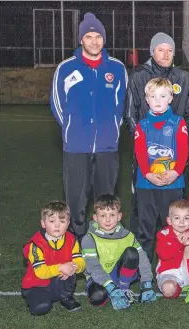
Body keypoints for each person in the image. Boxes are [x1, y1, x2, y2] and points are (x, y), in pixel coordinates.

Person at [50, 12, 126, 239]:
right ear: (81, 39)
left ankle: (104, 245)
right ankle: (76, 246)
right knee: (75, 200)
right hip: (76, 146)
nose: (94, 41)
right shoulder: (66, 68)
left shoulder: (117, 68)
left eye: (98, 37)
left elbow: (122, 104)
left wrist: (112, 129)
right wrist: (72, 129)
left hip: (107, 147)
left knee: (106, 202)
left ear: (104, 39)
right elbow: (56, 103)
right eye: (89, 36)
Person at [124, 32, 189, 245]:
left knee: (175, 210)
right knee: (142, 211)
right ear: (152, 51)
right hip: (147, 155)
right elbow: (130, 112)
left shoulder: (183, 78)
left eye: (170, 50)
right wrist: (143, 139)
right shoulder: (139, 76)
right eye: (160, 49)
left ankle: (174, 257)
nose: (165, 54)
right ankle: (140, 259)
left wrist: (180, 138)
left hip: (176, 158)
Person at [132, 78, 189, 261]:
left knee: (173, 227)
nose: (158, 100)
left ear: (171, 98)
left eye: (163, 96)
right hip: (146, 184)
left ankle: (172, 265)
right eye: (153, 96)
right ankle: (144, 271)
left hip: (172, 183)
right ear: (146, 99)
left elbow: (184, 151)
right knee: (145, 227)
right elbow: (140, 152)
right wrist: (148, 174)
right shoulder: (142, 125)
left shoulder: (178, 123)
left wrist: (175, 172)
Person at [81, 195, 156, 310]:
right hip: (98, 277)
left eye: (112, 215)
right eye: (103, 215)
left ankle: (123, 288)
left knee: (132, 253)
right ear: (95, 218)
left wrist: (147, 284)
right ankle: (114, 290)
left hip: (118, 274)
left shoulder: (127, 235)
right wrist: (111, 287)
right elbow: (93, 267)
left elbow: (143, 259)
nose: (107, 219)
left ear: (119, 216)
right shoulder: (89, 238)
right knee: (97, 298)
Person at [22, 201, 84, 315]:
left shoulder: (72, 240)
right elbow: (40, 272)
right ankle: (39, 296)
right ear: (43, 223)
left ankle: (65, 297)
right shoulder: (35, 244)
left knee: (71, 270)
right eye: (52, 221)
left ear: (68, 223)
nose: (57, 225)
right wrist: (61, 267)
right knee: (41, 307)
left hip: (57, 280)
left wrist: (73, 267)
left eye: (62, 221)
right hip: (36, 284)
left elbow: (80, 262)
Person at [155, 200, 189, 304]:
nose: (182, 222)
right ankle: (179, 288)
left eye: (186, 218)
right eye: (177, 218)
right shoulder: (163, 234)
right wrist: (180, 242)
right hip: (169, 272)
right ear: (169, 220)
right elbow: (164, 255)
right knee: (168, 289)